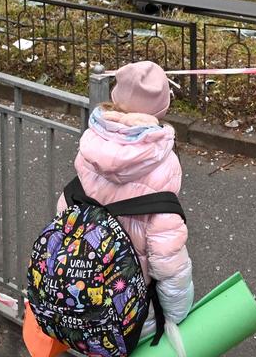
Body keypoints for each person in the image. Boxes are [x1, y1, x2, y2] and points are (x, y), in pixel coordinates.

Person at [58, 60, 194, 337]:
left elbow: (64, 214)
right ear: (161, 106)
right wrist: (176, 314)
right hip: (129, 306)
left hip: (81, 290)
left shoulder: (91, 144)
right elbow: (168, 259)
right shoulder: (163, 165)